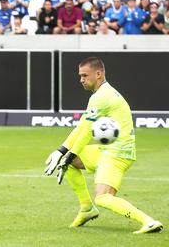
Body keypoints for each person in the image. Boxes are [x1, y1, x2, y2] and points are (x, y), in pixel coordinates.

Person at [44, 57, 163, 234]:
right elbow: (83, 125)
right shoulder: (100, 95)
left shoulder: (102, 97)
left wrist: (69, 154)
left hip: (118, 153)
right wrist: (61, 151)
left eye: (85, 75)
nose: (81, 79)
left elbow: (86, 132)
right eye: (80, 76)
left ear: (98, 74)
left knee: (103, 198)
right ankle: (86, 210)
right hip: (107, 150)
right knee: (65, 160)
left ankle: (148, 221)